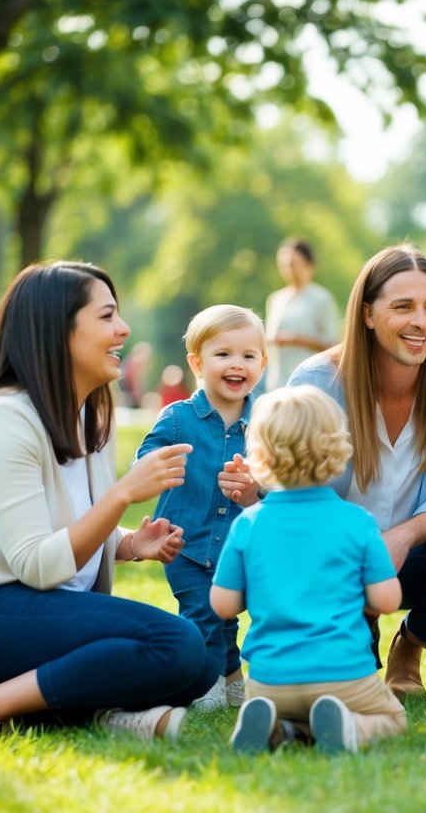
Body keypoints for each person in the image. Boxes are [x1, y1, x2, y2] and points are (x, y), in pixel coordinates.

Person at [0, 261, 217, 747]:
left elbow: (65, 529)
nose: (124, 329)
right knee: (175, 644)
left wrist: (131, 544)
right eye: (107, 316)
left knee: (199, 667)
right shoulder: (3, 421)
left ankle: (92, 713)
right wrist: (122, 494)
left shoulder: (92, 417)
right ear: (58, 330)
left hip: (45, 604)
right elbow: (35, 562)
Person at [228, 244, 426, 700]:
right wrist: (258, 491)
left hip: (411, 554)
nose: (422, 322)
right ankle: (341, 637)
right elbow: (291, 495)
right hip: (331, 555)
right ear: (368, 314)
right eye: (403, 307)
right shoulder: (317, 382)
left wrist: (403, 537)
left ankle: (409, 645)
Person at [212, 385, 407, 754]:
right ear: (338, 448)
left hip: (270, 680)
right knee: (394, 720)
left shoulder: (249, 524)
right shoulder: (357, 522)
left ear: (261, 454)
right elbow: (387, 598)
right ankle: (350, 726)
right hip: (344, 674)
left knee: (285, 707)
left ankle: (279, 729)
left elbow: (223, 605)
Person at [137, 305, 267, 712]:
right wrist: (154, 470)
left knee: (226, 617)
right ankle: (204, 682)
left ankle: (231, 678)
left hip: (238, 548)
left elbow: (281, 481)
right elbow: (143, 463)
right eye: (223, 354)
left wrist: (257, 488)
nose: (236, 364)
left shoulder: (265, 422)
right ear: (196, 363)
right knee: (203, 613)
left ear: (263, 363)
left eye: (248, 356)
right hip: (185, 543)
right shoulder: (177, 418)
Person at [263, 238, 340, 392]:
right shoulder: (276, 299)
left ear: (308, 264)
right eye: (283, 265)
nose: (288, 269)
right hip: (277, 383)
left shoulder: (321, 298)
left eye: (292, 263)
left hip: (310, 383)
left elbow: (333, 345)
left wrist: (296, 339)